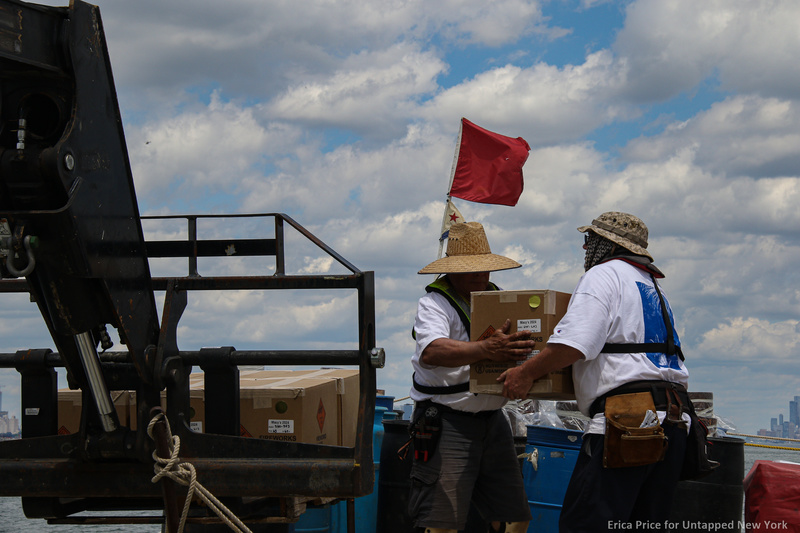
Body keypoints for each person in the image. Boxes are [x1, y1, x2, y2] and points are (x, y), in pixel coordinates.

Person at [498, 211, 691, 532]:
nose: (585, 249)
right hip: (674, 423)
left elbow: (573, 344)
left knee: (585, 525)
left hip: (626, 425)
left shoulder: (603, 276)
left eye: (590, 241)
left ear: (606, 245)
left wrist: (525, 373)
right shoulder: (652, 287)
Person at [408, 221, 534, 533]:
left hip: (493, 420)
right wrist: (486, 349)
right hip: (447, 420)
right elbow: (433, 351)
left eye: (484, 268)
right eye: (472, 269)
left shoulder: (497, 298)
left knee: (514, 519)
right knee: (441, 523)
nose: (481, 275)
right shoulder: (434, 303)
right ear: (452, 270)